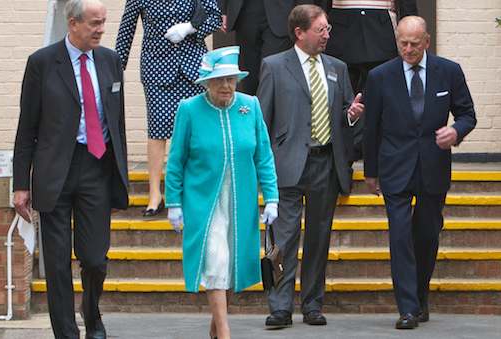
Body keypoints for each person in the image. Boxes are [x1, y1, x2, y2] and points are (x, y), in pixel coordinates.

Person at [12, 1, 129, 338]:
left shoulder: (110, 61)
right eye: (94, 23)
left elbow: (117, 122)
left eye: (104, 22)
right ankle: (66, 333)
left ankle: (91, 314)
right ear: (73, 23)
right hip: (54, 173)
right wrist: (22, 184)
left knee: (94, 258)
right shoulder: (42, 63)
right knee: (58, 263)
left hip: (96, 167)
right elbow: (26, 129)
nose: (101, 30)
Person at [363, 16, 477, 329]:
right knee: (399, 237)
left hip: (433, 167)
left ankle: (420, 298)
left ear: (427, 41)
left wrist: (456, 132)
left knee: (426, 236)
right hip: (394, 168)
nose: (409, 49)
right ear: (396, 40)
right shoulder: (380, 76)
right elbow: (371, 127)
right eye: (403, 43)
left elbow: (468, 114)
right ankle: (408, 309)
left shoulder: (449, 71)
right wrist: (370, 172)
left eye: (415, 43)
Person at [257, 4, 364, 328]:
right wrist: (264, 167)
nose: (327, 35)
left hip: (325, 164)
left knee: (319, 238)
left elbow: (342, 113)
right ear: (300, 32)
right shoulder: (274, 66)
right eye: (321, 30)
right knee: (284, 239)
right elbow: (263, 120)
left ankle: (313, 304)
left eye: (328, 30)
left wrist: (351, 114)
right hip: (287, 166)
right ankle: (280, 307)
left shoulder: (337, 68)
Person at [164, 46, 279, 339]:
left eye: (230, 79)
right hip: (204, 202)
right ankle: (225, 333)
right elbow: (176, 161)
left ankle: (215, 329)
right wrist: (173, 202)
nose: (226, 86)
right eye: (218, 80)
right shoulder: (189, 110)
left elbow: (263, 156)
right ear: (206, 83)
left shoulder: (250, 106)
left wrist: (272, 197)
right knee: (216, 260)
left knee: (233, 266)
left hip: (240, 201)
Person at [115, 0, 221, 217]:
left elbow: (215, 17)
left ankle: (197, 189)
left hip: (194, 68)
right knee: (157, 130)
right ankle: (155, 194)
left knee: (199, 131)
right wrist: (115, 68)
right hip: (157, 67)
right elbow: (127, 28)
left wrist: (190, 28)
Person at [323, 0, 417, 161]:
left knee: (382, 100)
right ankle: (341, 157)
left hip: (381, 28)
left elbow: (407, 5)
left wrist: (411, 30)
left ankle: (379, 156)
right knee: (340, 98)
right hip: (341, 28)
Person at [218, 0, 315, 95]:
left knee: (273, 74)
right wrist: (222, 9)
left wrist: (304, 13)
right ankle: (252, 109)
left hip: (281, 14)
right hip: (244, 12)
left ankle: (270, 110)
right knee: (248, 77)